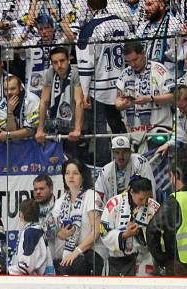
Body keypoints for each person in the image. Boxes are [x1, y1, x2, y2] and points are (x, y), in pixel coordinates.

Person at [75, 0, 128, 166]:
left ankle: (103, 167)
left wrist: (84, 92)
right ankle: (126, 161)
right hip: (122, 85)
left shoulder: (90, 28)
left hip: (100, 89)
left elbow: (85, 64)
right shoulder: (122, 23)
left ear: (89, 7)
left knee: (101, 130)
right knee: (120, 127)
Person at [146, 149, 187, 276]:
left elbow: (151, 230)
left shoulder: (174, 201)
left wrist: (162, 259)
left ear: (175, 175)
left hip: (179, 266)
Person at [47, 158, 103, 275]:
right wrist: (60, 234)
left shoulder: (91, 196)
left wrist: (76, 252)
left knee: (68, 267)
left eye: (75, 173)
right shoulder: (61, 201)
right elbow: (51, 229)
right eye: (67, 173)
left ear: (83, 176)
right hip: (70, 254)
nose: (70, 176)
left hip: (92, 252)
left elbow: (97, 231)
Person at [100, 175, 160, 276]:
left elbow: (160, 236)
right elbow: (104, 234)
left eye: (147, 198)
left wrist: (141, 233)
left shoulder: (154, 207)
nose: (145, 202)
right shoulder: (114, 204)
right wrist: (123, 235)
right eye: (141, 199)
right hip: (118, 261)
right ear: (131, 192)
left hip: (144, 259)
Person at [35, 46, 85, 161]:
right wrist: (40, 129)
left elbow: (79, 102)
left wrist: (77, 129)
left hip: (73, 123)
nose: (59, 65)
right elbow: (44, 101)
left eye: (62, 61)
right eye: (55, 62)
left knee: (74, 161)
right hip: (54, 123)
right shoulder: (49, 73)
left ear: (69, 60)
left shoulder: (75, 73)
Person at [95, 135, 156, 203]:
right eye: (117, 152)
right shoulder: (106, 170)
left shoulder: (139, 162)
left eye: (124, 152)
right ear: (113, 153)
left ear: (130, 152)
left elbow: (149, 188)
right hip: (114, 209)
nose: (121, 156)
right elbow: (98, 194)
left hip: (138, 206)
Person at [8, 199, 53, 275]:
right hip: (41, 279)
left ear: (21, 214)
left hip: (35, 282)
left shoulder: (31, 232)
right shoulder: (36, 229)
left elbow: (26, 267)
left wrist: (7, 270)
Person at [136, 0, 179, 73]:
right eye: (145, 5)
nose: (146, 9)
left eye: (150, 4)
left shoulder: (173, 25)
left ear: (162, 5)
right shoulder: (142, 27)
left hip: (167, 75)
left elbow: (177, 55)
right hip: (144, 76)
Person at [0, 75, 40, 142]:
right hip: (15, 145)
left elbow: (31, 131)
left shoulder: (33, 100)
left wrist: (8, 135)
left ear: (21, 88)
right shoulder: (2, 105)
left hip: (34, 143)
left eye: (12, 89)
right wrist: (10, 112)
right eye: (6, 89)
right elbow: (11, 130)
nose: (9, 92)